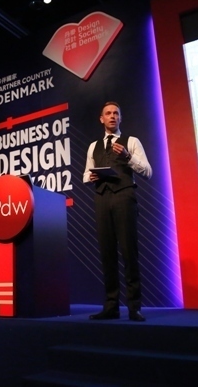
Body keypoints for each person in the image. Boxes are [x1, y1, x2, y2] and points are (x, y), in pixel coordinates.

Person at [82, 101, 152, 322]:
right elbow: (85, 174)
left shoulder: (131, 141)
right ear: (101, 119)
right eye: (108, 113)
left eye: (116, 113)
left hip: (124, 197)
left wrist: (128, 157)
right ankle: (111, 306)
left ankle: (134, 307)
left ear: (120, 118)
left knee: (129, 253)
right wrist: (91, 177)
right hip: (102, 198)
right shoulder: (93, 146)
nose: (112, 116)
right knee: (107, 254)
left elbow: (148, 172)